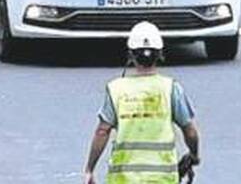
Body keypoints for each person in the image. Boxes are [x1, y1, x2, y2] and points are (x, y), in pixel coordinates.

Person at [83, 22, 201, 184]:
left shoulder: (116, 89)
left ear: (131, 56)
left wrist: (90, 169)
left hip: (123, 178)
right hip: (163, 178)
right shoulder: (170, 88)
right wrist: (193, 154)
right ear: (159, 54)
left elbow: (102, 131)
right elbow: (190, 131)